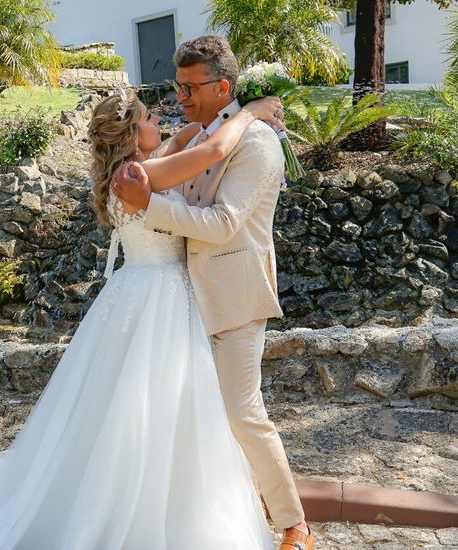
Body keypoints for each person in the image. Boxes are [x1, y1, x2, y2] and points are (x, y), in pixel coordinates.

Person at [0, 82, 285, 549]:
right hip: (160, 300)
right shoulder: (139, 177)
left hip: (145, 295)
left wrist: (223, 109)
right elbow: (214, 146)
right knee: (145, 408)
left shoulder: (137, 167)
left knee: (146, 407)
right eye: (151, 118)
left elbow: (189, 138)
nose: (163, 123)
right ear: (134, 135)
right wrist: (250, 112)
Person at [112, 35, 314, 550]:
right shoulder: (200, 136)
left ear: (222, 86)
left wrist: (147, 208)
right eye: (176, 86)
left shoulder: (258, 143)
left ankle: (294, 525)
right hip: (179, 302)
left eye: (189, 87)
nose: (179, 96)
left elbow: (223, 223)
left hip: (234, 297)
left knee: (242, 411)